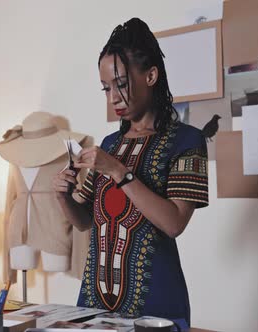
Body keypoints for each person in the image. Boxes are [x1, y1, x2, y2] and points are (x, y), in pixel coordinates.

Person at [53, 18, 209, 325]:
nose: (113, 97)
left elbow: (174, 223)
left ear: (151, 75)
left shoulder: (187, 141)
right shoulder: (110, 144)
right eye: (106, 87)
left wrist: (118, 171)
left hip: (157, 308)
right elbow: (84, 221)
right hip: (93, 305)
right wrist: (63, 196)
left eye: (121, 84)